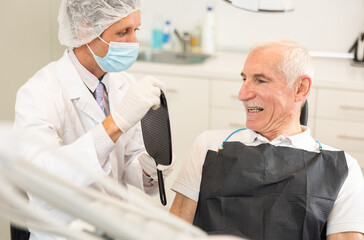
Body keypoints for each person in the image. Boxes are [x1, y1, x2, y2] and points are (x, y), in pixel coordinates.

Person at [170, 39, 364, 240]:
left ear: (300, 88)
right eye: (244, 79)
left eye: (260, 80)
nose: (243, 94)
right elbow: (174, 230)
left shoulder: (342, 169)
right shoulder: (209, 145)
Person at [14, 0, 174, 239]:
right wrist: (115, 124)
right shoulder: (38, 93)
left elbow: (127, 161)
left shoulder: (123, 83)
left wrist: (148, 169)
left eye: (135, 30)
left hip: (115, 228)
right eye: (122, 32)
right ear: (84, 30)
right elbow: (42, 181)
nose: (133, 42)